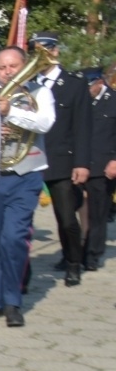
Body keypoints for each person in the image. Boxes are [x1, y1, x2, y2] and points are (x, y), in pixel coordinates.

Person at [0, 46, 54, 327]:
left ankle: (13, 302)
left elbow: (45, 122)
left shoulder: (39, 92)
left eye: (13, 66)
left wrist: (12, 114)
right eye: (2, 67)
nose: (8, 72)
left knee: (14, 238)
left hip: (26, 174)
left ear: (24, 66)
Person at [25, 33, 92, 283]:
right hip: (31, 159)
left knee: (66, 219)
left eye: (44, 50)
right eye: (35, 51)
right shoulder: (28, 83)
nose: (39, 55)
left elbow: (83, 127)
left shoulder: (75, 83)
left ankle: (73, 261)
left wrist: (82, 163)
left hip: (62, 161)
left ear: (55, 51)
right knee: (23, 220)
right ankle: (24, 272)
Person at [82, 67, 115, 270]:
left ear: (100, 83)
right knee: (72, 214)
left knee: (98, 213)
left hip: (104, 166)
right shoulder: (82, 101)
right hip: (79, 164)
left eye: (89, 87)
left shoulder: (114, 100)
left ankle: (92, 254)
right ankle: (72, 254)